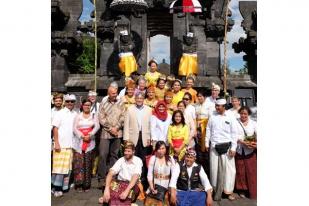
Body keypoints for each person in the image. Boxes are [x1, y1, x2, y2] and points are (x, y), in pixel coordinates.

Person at [205, 98, 238, 201]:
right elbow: (208, 129)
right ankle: (216, 191)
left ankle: (228, 192)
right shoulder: (212, 116)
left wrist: (233, 147)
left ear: (224, 107)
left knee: (229, 171)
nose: (217, 108)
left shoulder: (231, 116)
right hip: (214, 147)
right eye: (216, 106)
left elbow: (234, 133)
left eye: (218, 106)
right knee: (214, 170)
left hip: (227, 148)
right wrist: (206, 143)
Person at [123, 92, 152, 189]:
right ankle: (132, 181)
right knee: (133, 160)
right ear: (135, 99)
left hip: (145, 138)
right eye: (137, 98)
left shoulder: (149, 110)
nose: (139, 100)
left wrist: (150, 138)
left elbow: (150, 125)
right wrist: (126, 139)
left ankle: (143, 182)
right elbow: (126, 125)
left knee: (144, 160)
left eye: (141, 98)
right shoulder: (130, 109)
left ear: (144, 99)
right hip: (133, 138)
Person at [99, 141, 143, 205]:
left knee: (121, 199)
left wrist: (126, 191)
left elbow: (135, 176)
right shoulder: (121, 159)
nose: (126, 153)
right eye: (125, 151)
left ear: (133, 152)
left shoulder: (138, 160)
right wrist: (106, 189)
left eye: (129, 151)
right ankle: (107, 198)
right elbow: (110, 173)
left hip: (132, 185)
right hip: (119, 183)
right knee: (109, 193)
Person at [98, 86, 126, 186]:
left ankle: (112, 176)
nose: (115, 95)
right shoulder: (103, 103)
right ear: (108, 93)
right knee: (103, 154)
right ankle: (101, 177)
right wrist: (110, 129)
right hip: (106, 133)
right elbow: (101, 118)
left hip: (117, 133)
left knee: (114, 155)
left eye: (116, 93)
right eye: (113, 93)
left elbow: (123, 116)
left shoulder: (120, 102)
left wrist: (117, 128)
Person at [51, 94, 78, 197]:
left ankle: (63, 187)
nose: (70, 103)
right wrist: (56, 142)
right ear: (65, 102)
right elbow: (55, 128)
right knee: (58, 168)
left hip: (71, 145)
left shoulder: (75, 114)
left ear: (74, 102)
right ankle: (55, 187)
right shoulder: (60, 113)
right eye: (68, 101)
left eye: (72, 101)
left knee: (67, 168)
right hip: (61, 145)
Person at [72, 99, 100, 192]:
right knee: (79, 164)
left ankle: (86, 185)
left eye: (89, 105)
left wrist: (90, 135)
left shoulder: (93, 115)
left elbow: (97, 126)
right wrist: (82, 136)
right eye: (85, 105)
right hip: (79, 142)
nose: (87, 106)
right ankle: (78, 184)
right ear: (82, 106)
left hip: (89, 142)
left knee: (88, 163)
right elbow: (74, 128)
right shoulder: (78, 116)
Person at [235, 106, 257, 199]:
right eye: (242, 113)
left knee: (251, 171)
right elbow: (232, 134)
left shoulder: (254, 123)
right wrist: (241, 141)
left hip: (250, 150)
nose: (243, 115)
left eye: (245, 114)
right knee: (240, 171)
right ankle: (242, 190)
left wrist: (255, 144)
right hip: (239, 149)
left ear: (248, 114)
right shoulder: (235, 122)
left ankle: (252, 190)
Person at [145, 141, 176, 206]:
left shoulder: (170, 159)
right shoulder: (153, 158)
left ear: (166, 149)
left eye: (163, 148)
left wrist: (171, 188)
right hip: (154, 186)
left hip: (166, 187)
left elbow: (174, 175)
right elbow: (149, 174)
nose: (161, 151)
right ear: (156, 150)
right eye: (159, 149)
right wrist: (151, 187)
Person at [194, 91, 211, 176]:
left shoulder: (209, 105)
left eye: (201, 96)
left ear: (204, 97)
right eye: (198, 96)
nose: (200, 98)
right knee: (198, 150)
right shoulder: (195, 105)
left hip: (205, 127)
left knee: (205, 152)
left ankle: (207, 174)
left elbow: (210, 117)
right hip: (197, 128)